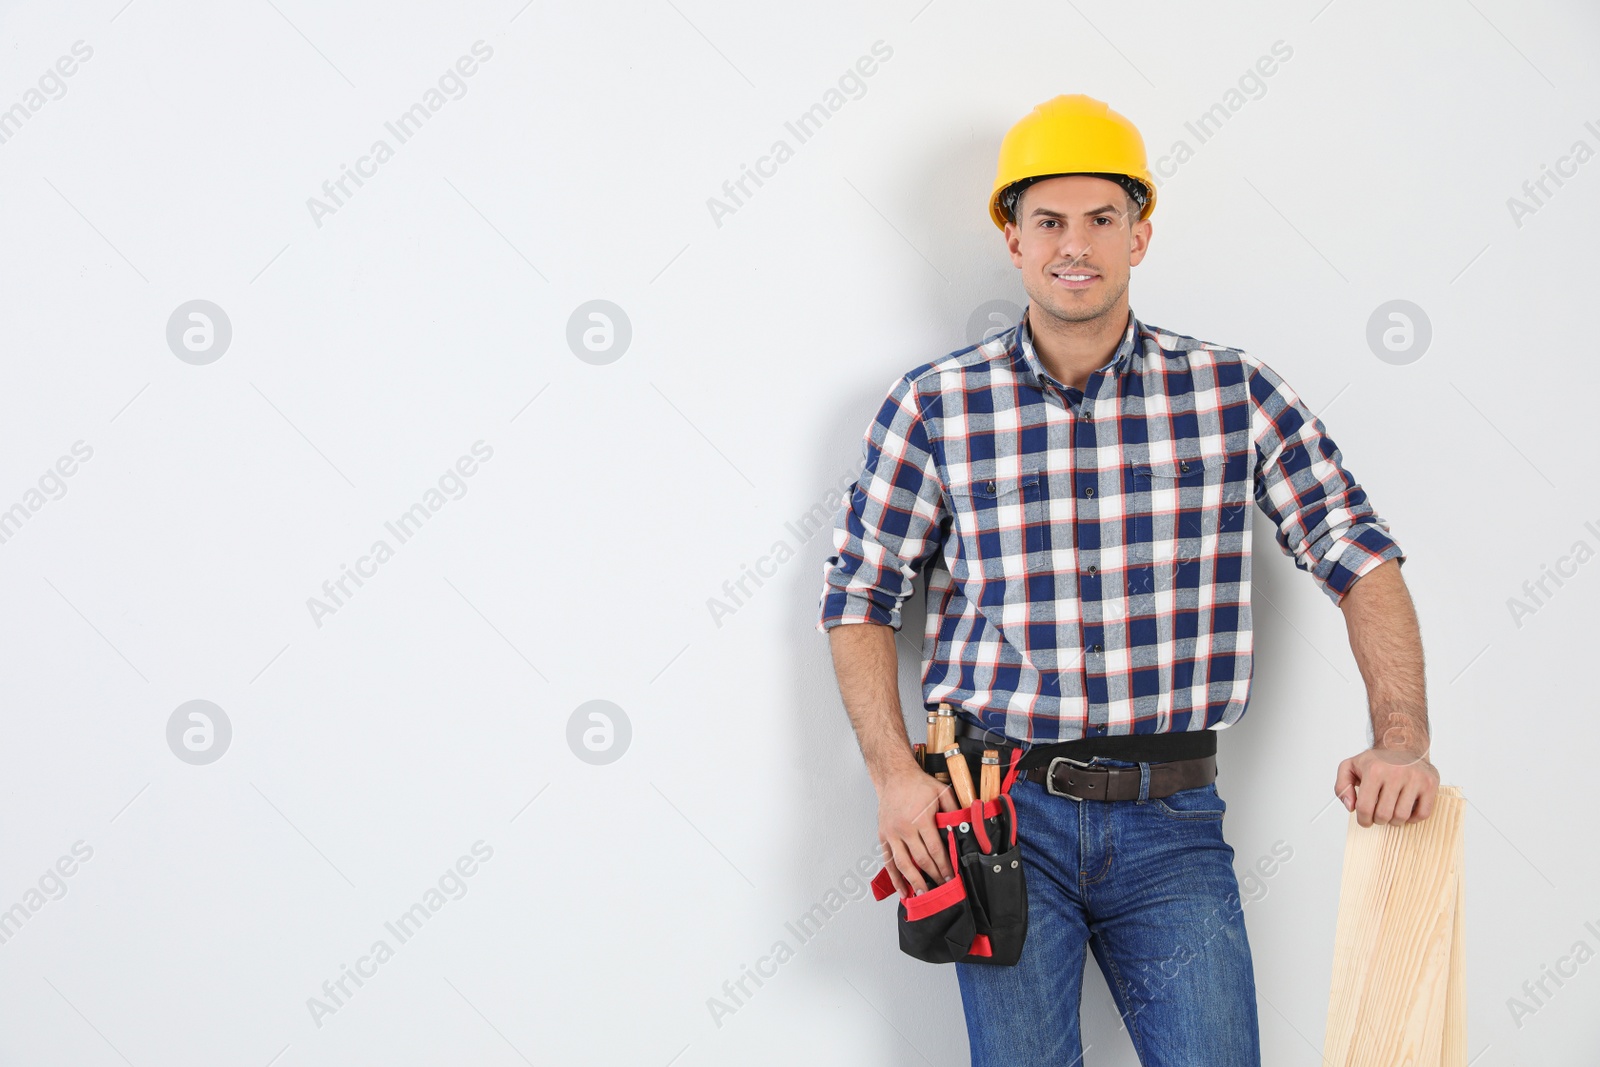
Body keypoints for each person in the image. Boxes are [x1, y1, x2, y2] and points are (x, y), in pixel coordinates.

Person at [814, 93, 1440, 1065]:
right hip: (997, 815)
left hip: (1174, 826)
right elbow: (859, 596)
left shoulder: (1233, 392)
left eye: (1101, 218)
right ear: (1012, 239)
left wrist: (1401, 740)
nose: (1076, 243)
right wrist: (895, 776)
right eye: (1049, 220)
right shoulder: (936, 406)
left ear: (1139, 234)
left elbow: (1357, 553)